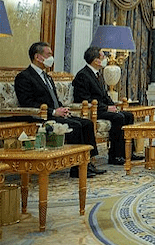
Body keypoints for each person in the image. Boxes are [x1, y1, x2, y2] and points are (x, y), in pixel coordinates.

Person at [15, 42, 104, 178]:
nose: (51, 57)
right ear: (38, 57)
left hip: (56, 113)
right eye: (48, 54)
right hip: (42, 117)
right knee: (76, 126)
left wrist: (62, 108)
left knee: (87, 123)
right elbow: (27, 103)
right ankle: (76, 168)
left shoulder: (47, 77)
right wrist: (53, 111)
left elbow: (54, 99)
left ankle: (87, 162)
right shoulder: (24, 77)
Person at [72, 47, 142, 165]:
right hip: (93, 110)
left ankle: (128, 152)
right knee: (118, 118)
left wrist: (113, 106)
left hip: (103, 108)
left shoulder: (97, 74)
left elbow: (105, 96)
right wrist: (106, 108)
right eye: (102, 56)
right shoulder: (83, 75)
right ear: (95, 60)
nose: (105, 59)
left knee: (128, 115)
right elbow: (84, 98)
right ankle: (115, 155)